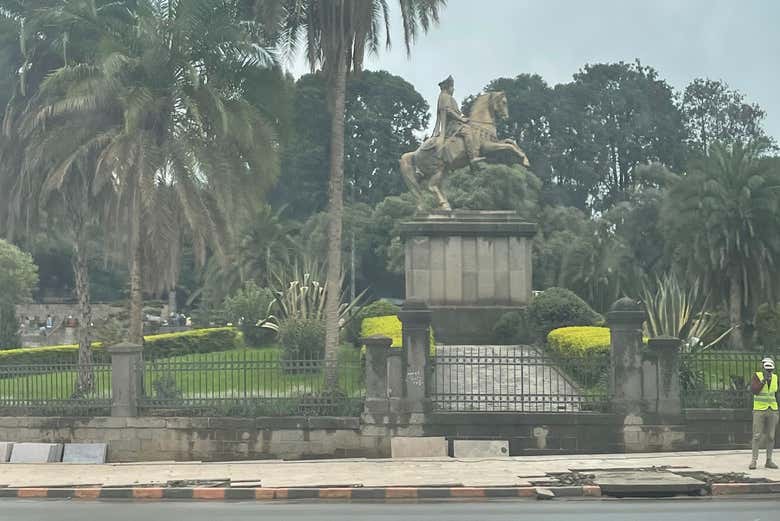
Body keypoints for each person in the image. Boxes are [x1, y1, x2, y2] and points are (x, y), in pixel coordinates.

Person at [432, 75, 484, 166]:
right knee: (468, 132)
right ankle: (472, 157)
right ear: (448, 88)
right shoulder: (445, 96)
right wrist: (461, 119)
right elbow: (448, 110)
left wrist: (464, 118)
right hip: (452, 126)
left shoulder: (447, 97)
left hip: (457, 123)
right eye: (452, 87)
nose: (453, 90)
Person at [749, 357, 779, 469]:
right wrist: (763, 381)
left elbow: (776, 394)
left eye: (770, 370)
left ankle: (769, 460)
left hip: (773, 409)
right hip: (759, 410)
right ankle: (754, 461)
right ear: (762, 367)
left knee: (771, 436)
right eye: (767, 369)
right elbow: (754, 391)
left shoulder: (775, 378)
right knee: (757, 436)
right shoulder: (757, 376)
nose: (769, 372)